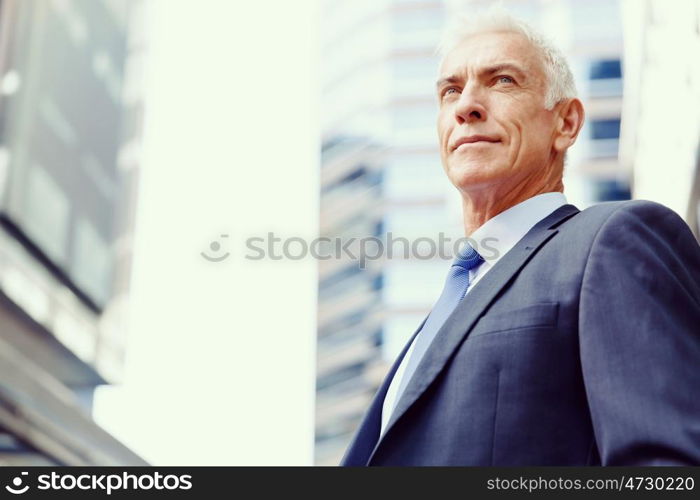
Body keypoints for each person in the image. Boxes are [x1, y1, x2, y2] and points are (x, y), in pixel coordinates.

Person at [340, 11, 700, 466]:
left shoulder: (611, 241)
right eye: (451, 90)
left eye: (503, 80)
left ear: (566, 123)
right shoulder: (438, 319)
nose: (465, 106)